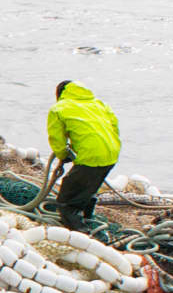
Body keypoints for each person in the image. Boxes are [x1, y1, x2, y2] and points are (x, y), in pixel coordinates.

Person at [46, 79, 121, 226]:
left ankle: (80, 233)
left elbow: (56, 138)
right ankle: (87, 217)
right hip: (112, 152)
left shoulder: (58, 108)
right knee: (87, 185)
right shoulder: (99, 104)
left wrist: (62, 154)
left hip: (90, 155)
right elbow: (114, 126)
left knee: (66, 199)